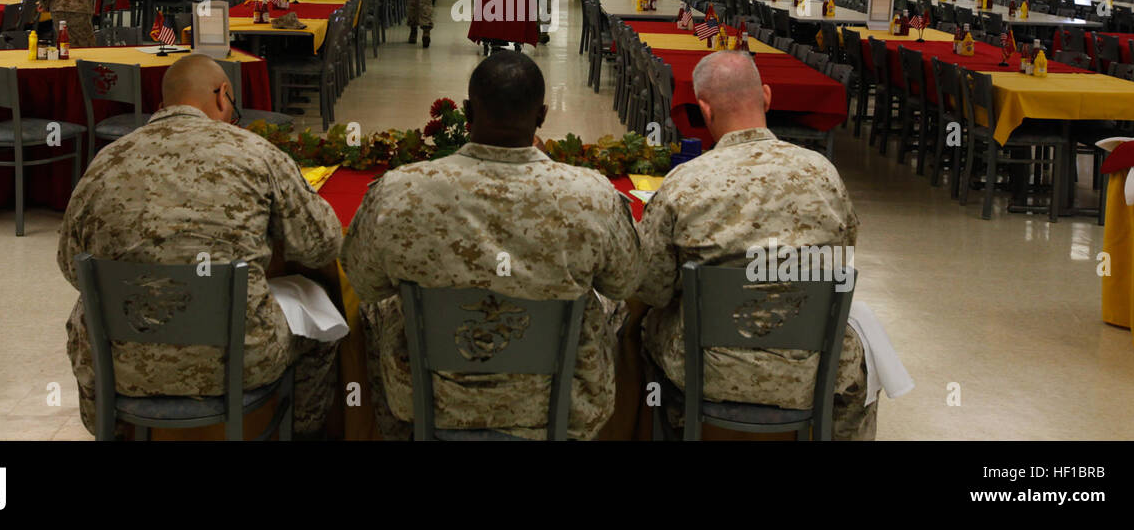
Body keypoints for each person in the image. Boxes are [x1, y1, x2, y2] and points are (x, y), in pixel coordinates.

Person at [342, 51, 642, 440]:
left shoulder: (400, 191)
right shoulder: (591, 196)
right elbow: (626, 284)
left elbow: (364, 284)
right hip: (559, 400)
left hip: (431, 398)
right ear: (542, 116)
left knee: (372, 311)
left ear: (468, 111)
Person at [57, 54, 344, 438]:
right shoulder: (257, 154)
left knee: (83, 311)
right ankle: (301, 432)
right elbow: (322, 245)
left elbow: (71, 265)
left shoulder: (106, 161)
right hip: (240, 361)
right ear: (223, 96)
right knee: (322, 324)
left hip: (120, 362)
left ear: (163, 106)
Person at [636, 51, 876, 440]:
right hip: (809, 372)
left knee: (638, 328)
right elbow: (842, 256)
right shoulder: (824, 175)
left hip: (707, 372)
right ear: (766, 97)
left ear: (704, 110)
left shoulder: (686, 182)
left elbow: (653, 286)